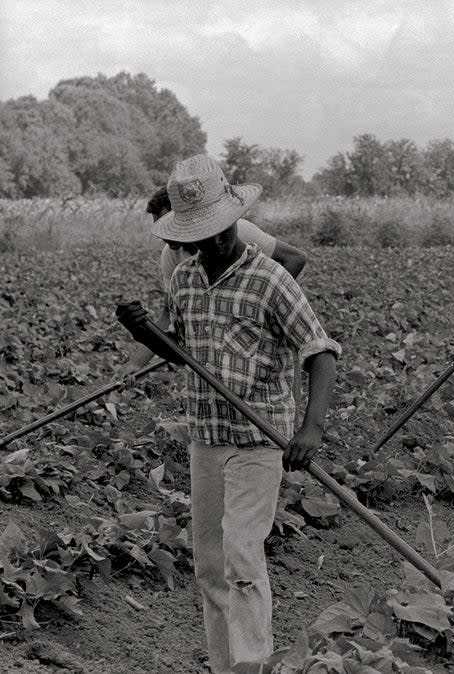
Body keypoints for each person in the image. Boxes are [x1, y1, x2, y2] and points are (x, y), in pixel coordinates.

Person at [119, 154, 340, 674]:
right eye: (202, 234)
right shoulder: (187, 279)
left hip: (259, 439)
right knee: (212, 564)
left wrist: (311, 427)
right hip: (206, 437)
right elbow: (182, 349)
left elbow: (320, 352)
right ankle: (225, 665)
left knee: (242, 557)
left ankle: (253, 665)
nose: (214, 242)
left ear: (235, 220)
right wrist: (143, 332)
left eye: (221, 231)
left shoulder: (270, 279)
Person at [115, 186, 308, 383]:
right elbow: (168, 315)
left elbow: (295, 259)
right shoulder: (173, 257)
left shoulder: (235, 232)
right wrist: (136, 362)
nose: (164, 237)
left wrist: (263, 301)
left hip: (260, 334)